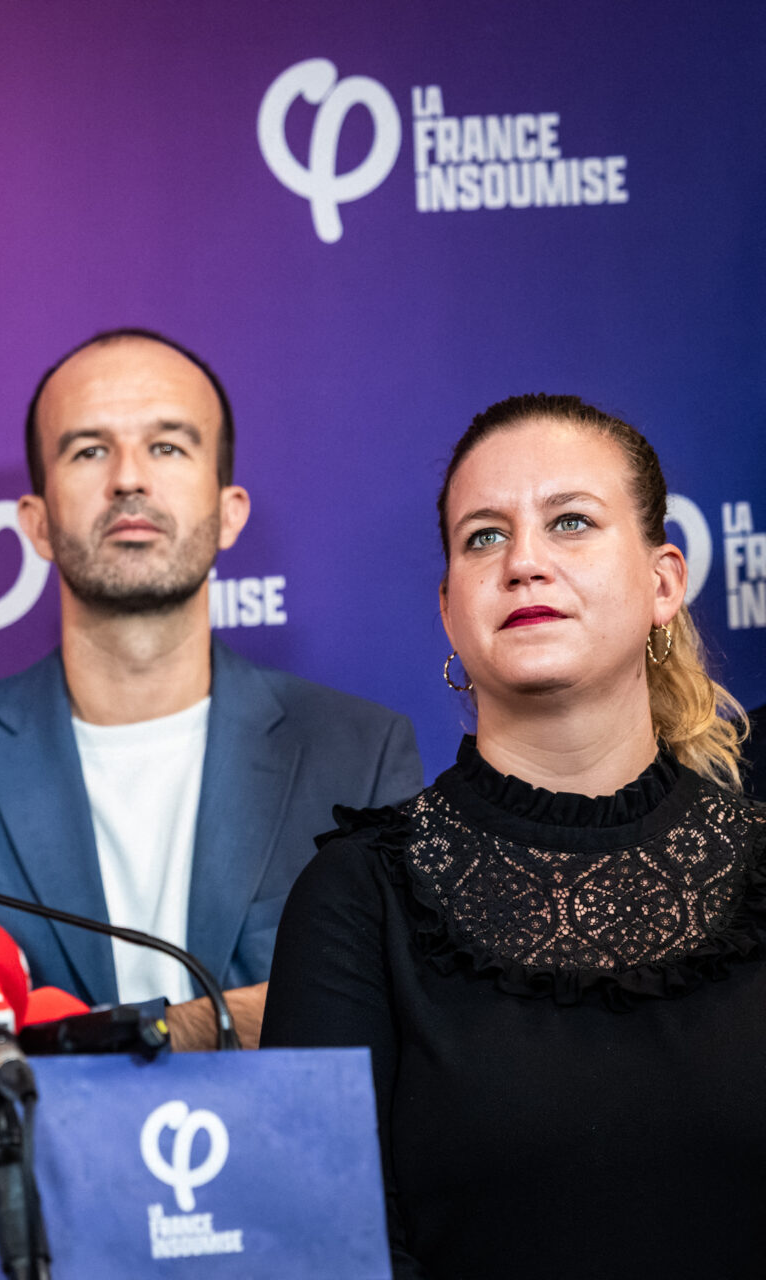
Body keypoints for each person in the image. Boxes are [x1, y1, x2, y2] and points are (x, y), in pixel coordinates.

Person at [263, 395, 763, 1277]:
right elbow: (326, 1251)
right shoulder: (358, 896)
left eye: (570, 522)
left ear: (664, 583)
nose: (525, 562)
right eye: (484, 537)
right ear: (451, 610)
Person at [0, 329, 421, 1047]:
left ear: (230, 512)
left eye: (168, 446)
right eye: (89, 450)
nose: (128, 479)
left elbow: (387, 1023)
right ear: (35, 525)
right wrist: (198, 1025)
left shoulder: (358, 753)